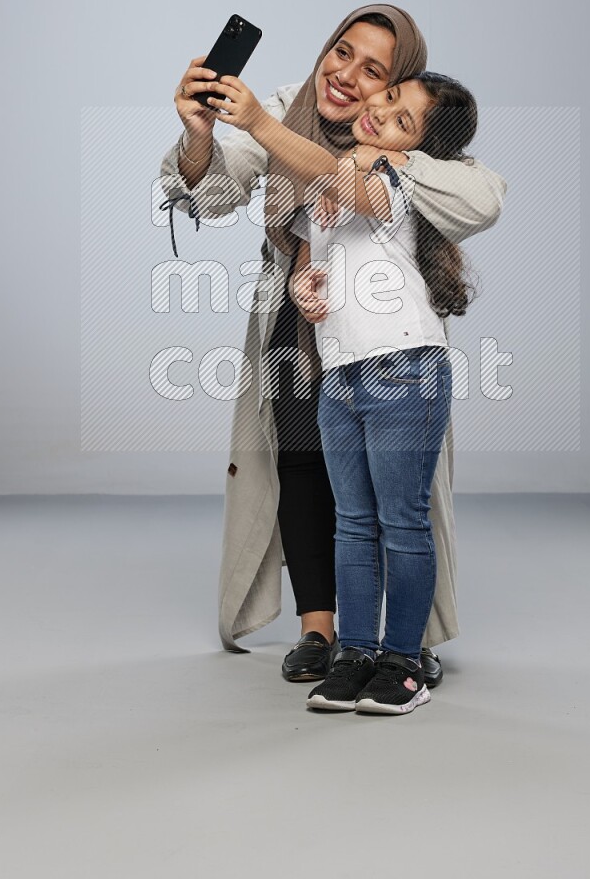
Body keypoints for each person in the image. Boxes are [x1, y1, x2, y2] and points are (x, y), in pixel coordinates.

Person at [159, 5, 507, 683]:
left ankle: (407, 638)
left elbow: (481, 198)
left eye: (375, 71)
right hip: (299, 317)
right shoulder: (289, 107)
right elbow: (214, 192)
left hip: (386, 341)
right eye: (341, 52)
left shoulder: (410, 132)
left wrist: (385, 158)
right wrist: (200, 133)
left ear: (399, 87)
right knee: (301, 464)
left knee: (393, 489)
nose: (346, 76)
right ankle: (321, 630)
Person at [202, 70, 478, 714]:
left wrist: (259, 125)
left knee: (401, 523)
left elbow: (343, 181)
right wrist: (305, 283)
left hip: (404, 369)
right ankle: (355, 653)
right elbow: (313, 254)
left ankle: (403, 662)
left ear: (417, 151)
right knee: (352, 524)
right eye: (385, 99)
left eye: (402, 118)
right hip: (341, 373)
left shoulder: (392, 181)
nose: (379, 111)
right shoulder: (331, 177)